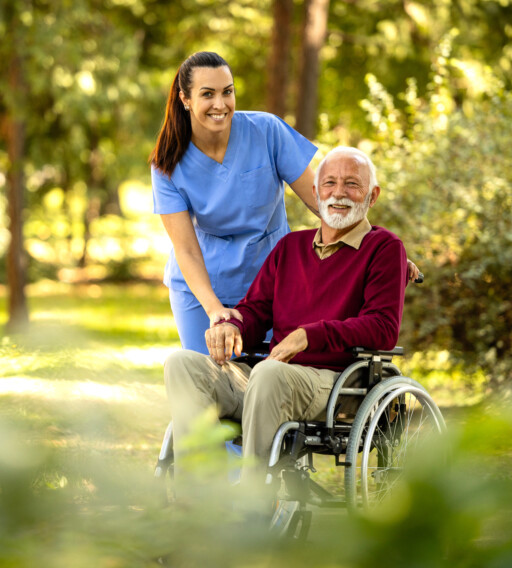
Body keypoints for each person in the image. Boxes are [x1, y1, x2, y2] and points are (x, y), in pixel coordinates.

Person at [163, 146, 407, 489]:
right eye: (330, 183)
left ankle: (252, 506)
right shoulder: (290, 248)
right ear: (315, 192)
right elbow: (256, 310)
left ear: (372, 194)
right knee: (182, 364)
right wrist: (232, 326)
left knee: (269, 373)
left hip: (336, 383)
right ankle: (196, 502)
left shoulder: (384, 248)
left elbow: (383, 328)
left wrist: (311, 335)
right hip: (269, 378)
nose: (339, 193)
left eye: (352, 184)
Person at [150, 51, 418, 354]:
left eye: (228, 92)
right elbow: (185, 248)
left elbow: (323, 201)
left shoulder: (266, 131)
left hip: (267, 285)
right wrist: (214, 309)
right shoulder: (167, 164)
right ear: (185, 99)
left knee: (266, 381)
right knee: (206, 382)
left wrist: (374, 248)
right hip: (200, 288)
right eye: (207, 94)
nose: (220, 104)